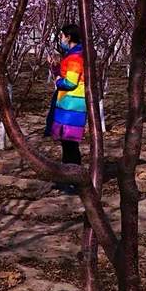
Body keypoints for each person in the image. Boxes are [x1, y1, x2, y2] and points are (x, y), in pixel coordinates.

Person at [45, 23, 86, 194]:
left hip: (72, 106)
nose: (60, 39)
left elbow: (70, 82)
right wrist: (55, 68)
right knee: (67, 143)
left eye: (62, 36)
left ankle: (74, 180)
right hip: (68, 105)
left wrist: (58, 81)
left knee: (70, 144)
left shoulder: (75, 57)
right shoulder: (72, 55)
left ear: (68, 37)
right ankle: (67, 179)